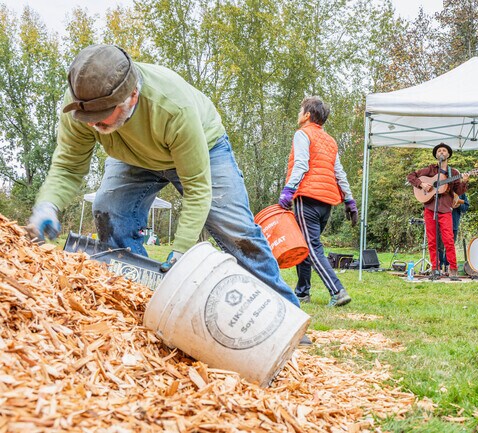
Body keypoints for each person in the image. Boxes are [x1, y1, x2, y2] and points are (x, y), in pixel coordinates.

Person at [26, 44, 304, 313]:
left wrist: (181, 249)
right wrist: (47, 205)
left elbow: (197, 188)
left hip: (204, 147)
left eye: (101, 119)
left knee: (236, 228)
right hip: (132, 156)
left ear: (131, 96)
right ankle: (140, 300)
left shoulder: (172, 107)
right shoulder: (81, 106)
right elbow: (68, 166)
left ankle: (285, 311)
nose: (92, 125)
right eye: (88, 118)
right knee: (109, 209)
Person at [278, 96, 356, 307]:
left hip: (307, 197)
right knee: (303, 244)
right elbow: (339, 173)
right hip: (327, 202)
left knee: (311, 248)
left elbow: (301, 165)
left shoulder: (302, 134)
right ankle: (302, 292)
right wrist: (349, 200)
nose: (298, 114)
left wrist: (288, 191)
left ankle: (337, 291)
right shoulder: (330, 141)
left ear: (307, 115)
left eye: (300, 110)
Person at [407, 143, 468, 280]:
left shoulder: (454, 173)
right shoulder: (430, 169)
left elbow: (458, 191)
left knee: (448, 239)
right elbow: (411, 176)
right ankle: (435, 269)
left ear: (448, 155)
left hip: (446, 209)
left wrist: (464, 182)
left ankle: (453, 269)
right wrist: (421, 184)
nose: (441, 152)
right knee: (432, 240)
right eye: (439, 150)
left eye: (444, 150)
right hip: (430, 207)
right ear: (436, 155)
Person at [437, 192, 470, 273]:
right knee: (439, 247)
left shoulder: (460, 192)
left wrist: (458, 204)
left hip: (453, 223)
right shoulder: (442, 189)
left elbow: (465, 206)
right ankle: (439, 267)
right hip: (441, 222)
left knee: (450, 246)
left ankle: (448, 267)